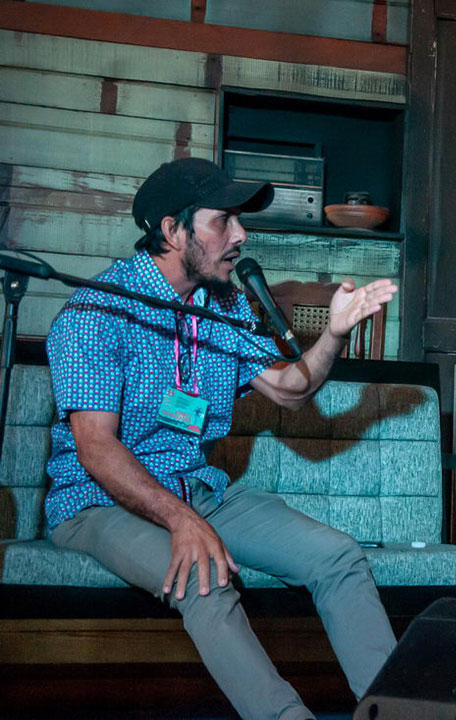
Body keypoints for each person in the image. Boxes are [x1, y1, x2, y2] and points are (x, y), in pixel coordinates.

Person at [44, 157, 399, 720]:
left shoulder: (221, 307)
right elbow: (96, 449)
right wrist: (183, 523)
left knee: (337, 557)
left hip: (199, 492)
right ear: (171, 230)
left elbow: (290, 390)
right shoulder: (96, 311)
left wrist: (332, 334)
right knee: (205, 582)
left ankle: (400, 714)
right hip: (100, 501)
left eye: (240, 221)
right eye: (224, 221)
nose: (241, 235)